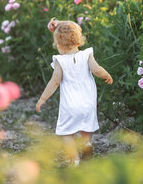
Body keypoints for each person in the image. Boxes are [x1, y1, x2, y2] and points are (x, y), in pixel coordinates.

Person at [36, 18, 113, 165]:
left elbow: (55, 81)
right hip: (88, 103)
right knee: (87, 126)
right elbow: (96, 69)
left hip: (70, 106)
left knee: (67, 133)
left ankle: (75, 160)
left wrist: (42, 99)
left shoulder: (60, 61)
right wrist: (106, 75)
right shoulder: (87, 55)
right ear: (79, 40)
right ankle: (87, 144)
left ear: (58, 44)